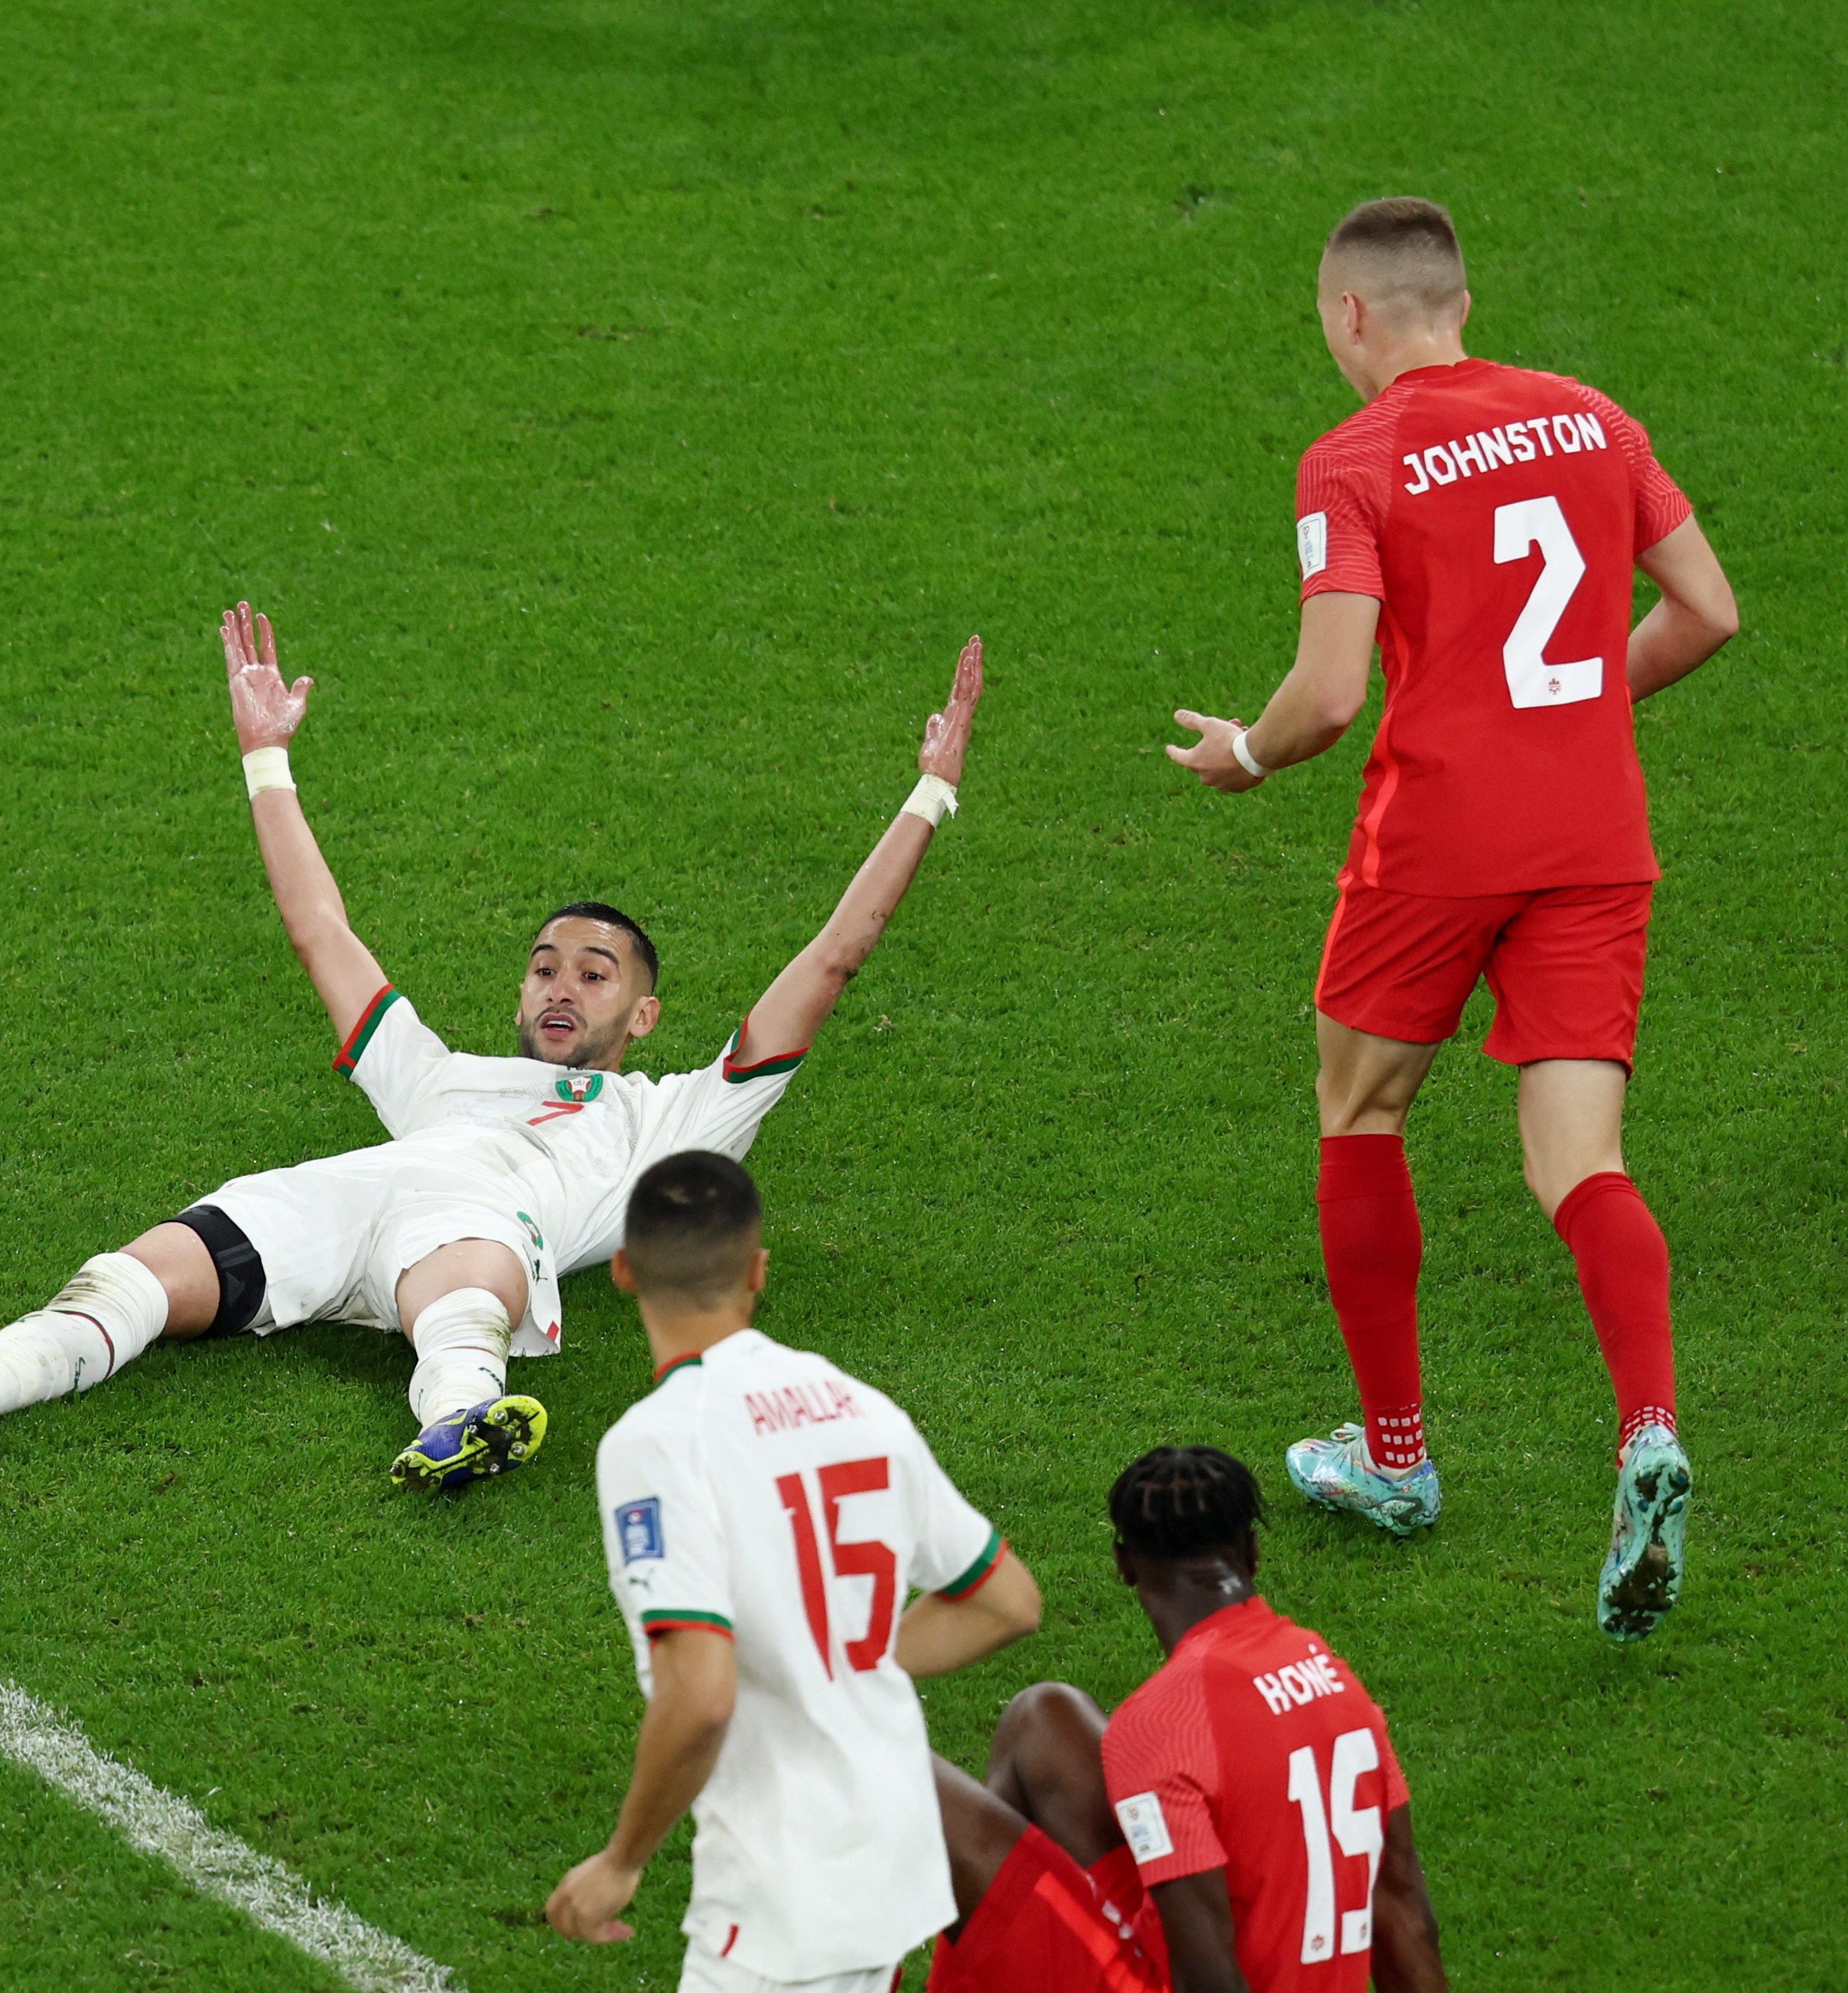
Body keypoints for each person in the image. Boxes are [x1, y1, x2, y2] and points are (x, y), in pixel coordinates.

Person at [0, 609, 986, 1493]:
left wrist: (929, 792)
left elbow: (835, 960)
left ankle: (457, 1417)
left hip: (469, 1244)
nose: (560, 985)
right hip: (332, 1207)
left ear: (643, 1015)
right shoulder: (435, 1076)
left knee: (473, 1256)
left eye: (596, 974)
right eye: (545, 965)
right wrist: (264, 760)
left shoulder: (679, 1114)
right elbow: (319, 931)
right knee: (145, 1269)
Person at [1163, 196, 1740, 1641]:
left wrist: (1237, 753)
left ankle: (1399, 1465)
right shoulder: (1592, 420)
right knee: (1580, 1162)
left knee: (1361, 1113)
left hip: (1434, 844)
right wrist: (1578, 709)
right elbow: (1709, 612)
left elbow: (1330, 696)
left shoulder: (1351, 459)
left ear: (1352, 314)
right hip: (1596, 839)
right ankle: (1649, 1428)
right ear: (1460, 301)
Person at [548, 1153, 1045, 1992]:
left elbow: (701, 1693)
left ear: (623, 1268)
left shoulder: (657, 1441)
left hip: (782, 1895)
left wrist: (621, 1860)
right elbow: (1006, 1599)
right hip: (889, 1852)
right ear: (758, 1269)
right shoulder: (856, 1402)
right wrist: (850, 1656)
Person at [925, 1448, 1450, 1993]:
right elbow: (1406, 1914)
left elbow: (1207, 1977)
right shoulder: (1334, 1680)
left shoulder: (1164, 1721)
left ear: (1124, 1563)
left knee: (912, 1777)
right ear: (1252, 1551)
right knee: (1043, 1720)